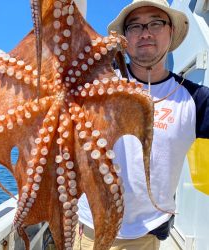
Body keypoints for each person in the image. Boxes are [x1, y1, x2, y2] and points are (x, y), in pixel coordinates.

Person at [73, 0, 209, 249]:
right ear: (124, 38)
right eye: (135, 26)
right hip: (88, 232)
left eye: (156, 23)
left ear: (171, 31)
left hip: (143, 238)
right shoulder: (96, 84)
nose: (145, 32)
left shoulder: (195, 99)